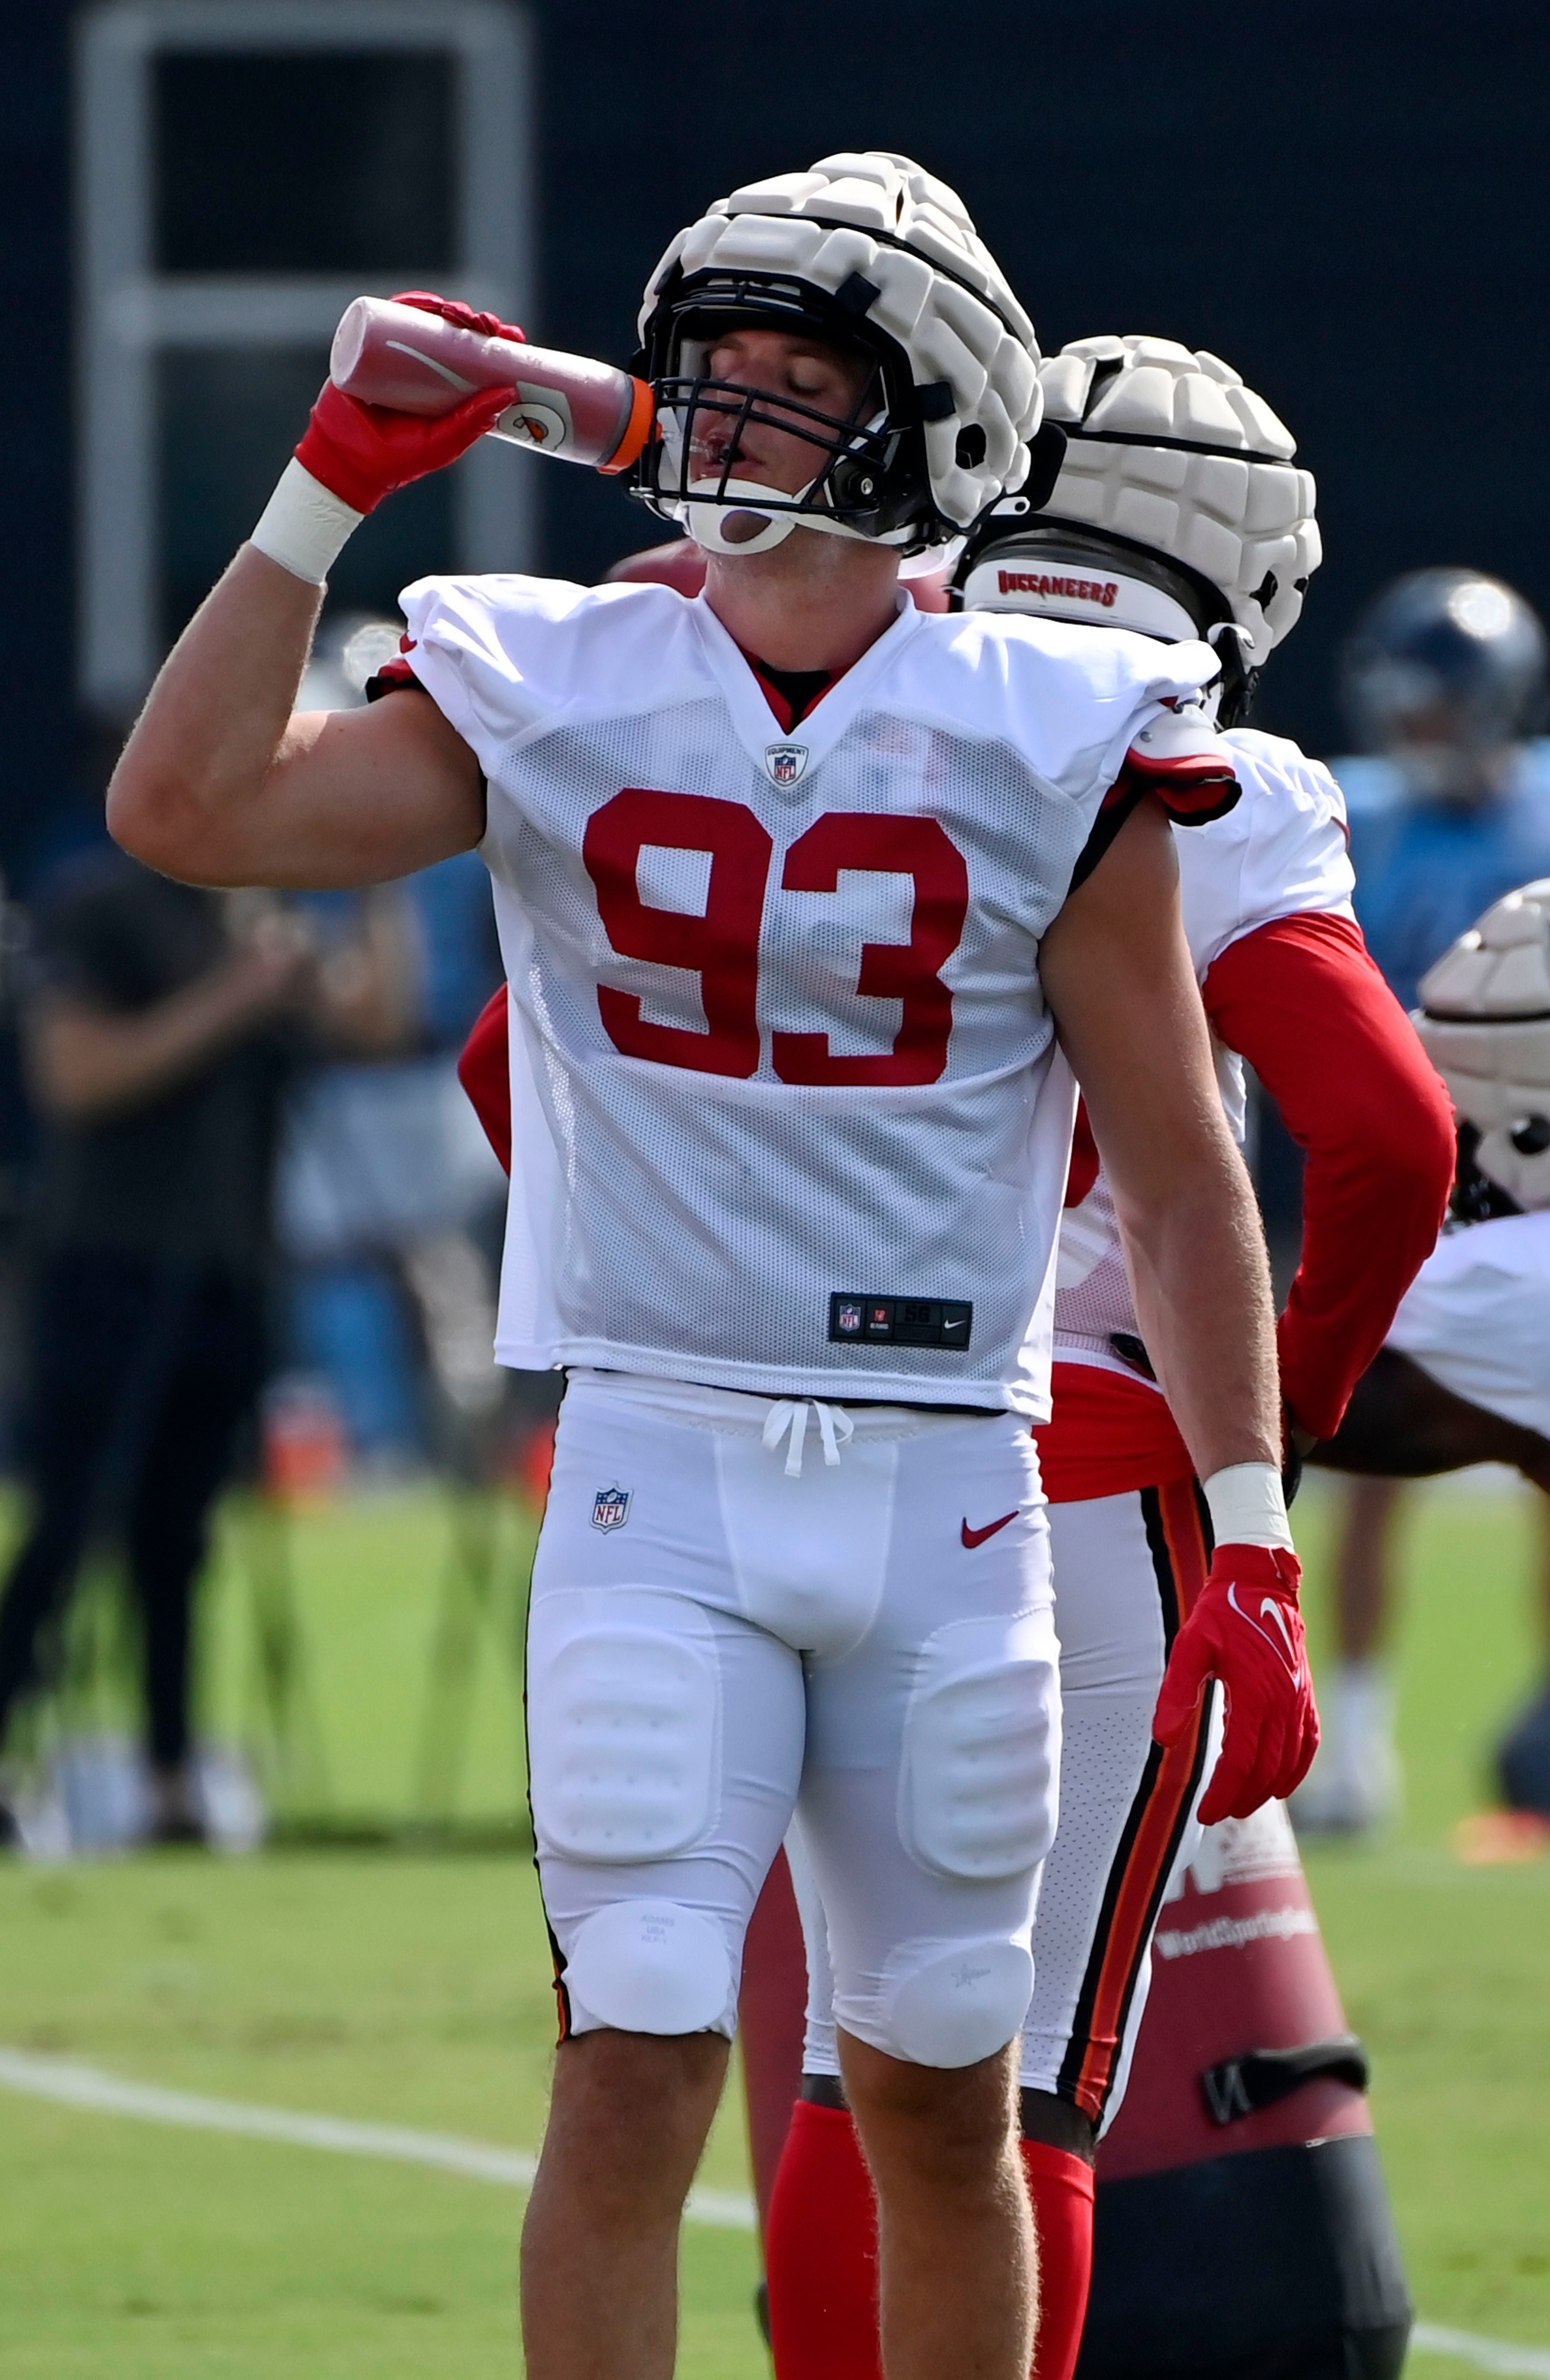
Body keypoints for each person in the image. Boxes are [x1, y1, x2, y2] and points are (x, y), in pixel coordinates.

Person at [105, 153, 1315, 2380]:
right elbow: (189, 816)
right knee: (634, 2061)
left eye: (793, 378)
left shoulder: (1061, 729)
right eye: (714, 370)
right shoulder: (547, 676)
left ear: (933, 421)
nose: (729, 414)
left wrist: (1248, 1535)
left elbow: (1178, 1164)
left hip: (960, 1477)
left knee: (946, 2098)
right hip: (656, 1464)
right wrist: (315, 499)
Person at [754, 337, 1452, 2380]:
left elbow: (494, 1062)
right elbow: (1392, 1131)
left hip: (756, 1453)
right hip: (1067, 1483)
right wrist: (1281, 1409)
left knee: (826, 2061)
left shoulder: (829, 686)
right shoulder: (1191, 756)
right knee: (1016, 2080)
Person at [1305, 570, 1550, 1829]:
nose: (1420, 732)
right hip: (1398, 1177)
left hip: (1547, 1180)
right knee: (1362, 1460)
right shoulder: (1346, 816)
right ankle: (1352, 1741)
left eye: (1442, 706)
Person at [0, 856, 307, 1846]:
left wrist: (375, 897)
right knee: (70, 1526)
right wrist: (236, 997)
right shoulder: (103, 908)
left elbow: (376, 1025)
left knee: (178, 1541)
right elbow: (75, 1074)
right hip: (106, 1261)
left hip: (227, 1267)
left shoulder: (254, 909)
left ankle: (169, 1779)